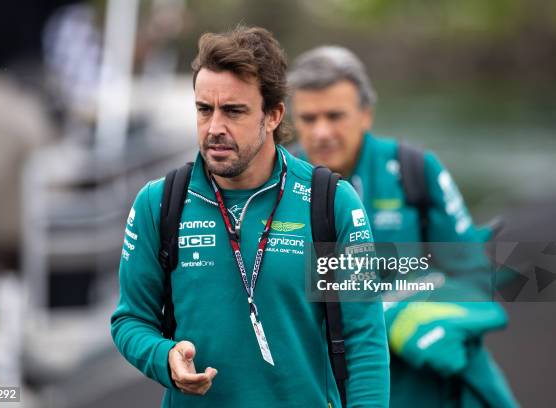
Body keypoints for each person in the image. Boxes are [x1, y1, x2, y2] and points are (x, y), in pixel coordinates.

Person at [110, 27, 389, 407]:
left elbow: (364, 342)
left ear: (273, 115)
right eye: (204, 109)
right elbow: (130, 320)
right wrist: (164, 357)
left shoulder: (330, 203)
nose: (215, 128)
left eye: (234, 111)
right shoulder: (159, 203)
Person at [288, 46, 518, 408]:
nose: (321, 132)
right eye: (308, 118)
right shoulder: (278, 185)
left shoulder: (415, 170)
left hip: (416, 389)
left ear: (366, 114)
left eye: (335, 116)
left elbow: (473, 275)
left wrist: (403, 310)